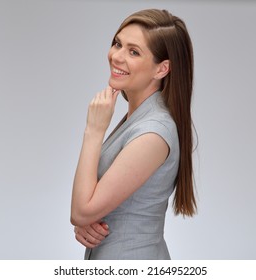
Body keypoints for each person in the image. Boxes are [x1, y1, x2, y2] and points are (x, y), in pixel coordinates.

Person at [70, 9, 196, 260]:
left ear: (161, 69)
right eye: (117, 43)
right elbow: (91, 208)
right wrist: (87, 222)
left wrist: (94, 130)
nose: (116, 56)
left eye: (133, 51)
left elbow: (81, 210)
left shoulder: (153, 132)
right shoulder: (138, 118)